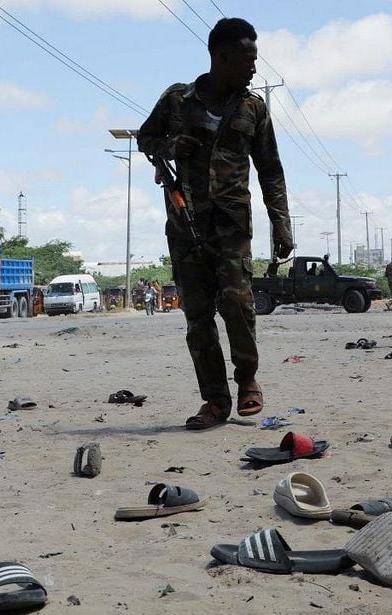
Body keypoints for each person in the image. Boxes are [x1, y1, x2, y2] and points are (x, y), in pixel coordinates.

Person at [138, 17, 293, 430]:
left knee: (238, 304)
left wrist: (282, 226)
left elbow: (271, 171)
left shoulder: (253, 109)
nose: (254, 68)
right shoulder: (177, 100)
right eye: (248, 59)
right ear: (221, 57)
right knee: (198, 317)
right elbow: (145, 138)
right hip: (185, 223)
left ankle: (247, 381)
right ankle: (214, 401)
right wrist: (169, 146)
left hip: (231, 226)